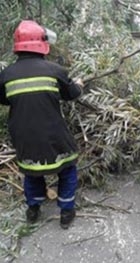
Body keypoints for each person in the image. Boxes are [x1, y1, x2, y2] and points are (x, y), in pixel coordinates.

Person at [0, 20, 83, 229]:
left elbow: (5, 99)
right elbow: (71, 94)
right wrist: (79, 84)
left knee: (31, 170)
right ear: (42, 44)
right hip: (54, 133)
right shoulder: (55, 71)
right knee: (67, 167)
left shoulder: (5, 75)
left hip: (23, 136)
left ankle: (33, 209)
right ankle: (66, 211)